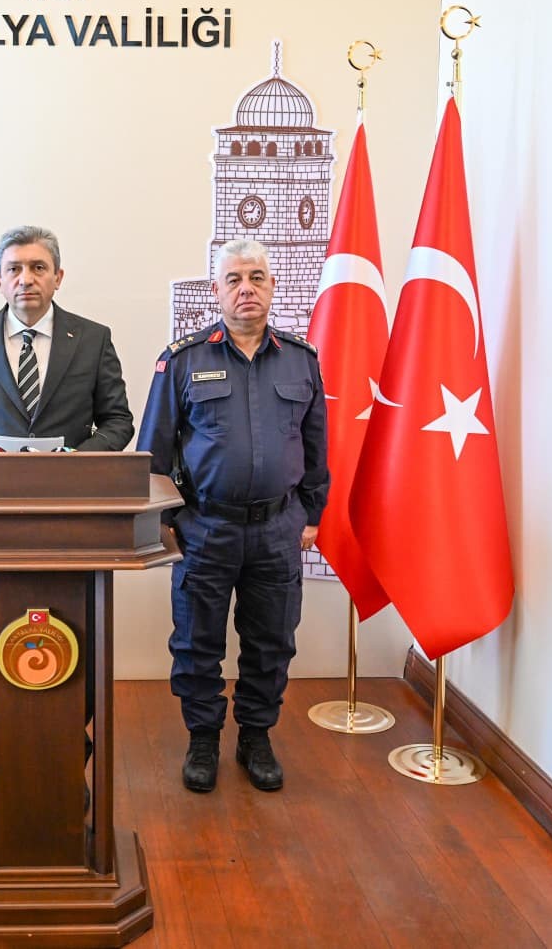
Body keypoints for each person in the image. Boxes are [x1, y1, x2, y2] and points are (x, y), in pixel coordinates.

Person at [136, 238, 329, 793]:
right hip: (204, 527)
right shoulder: (183, 360)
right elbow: (153, 452)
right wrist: (164, 524)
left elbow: (316, 446)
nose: (247, 288)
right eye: (234, 279)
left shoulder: (301, 360)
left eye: (257, 277)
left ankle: (255, 736)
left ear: (273, 286)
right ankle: (202, 738)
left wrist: (311, 515)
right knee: (197, 641)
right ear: (216, 291)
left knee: (271, 641)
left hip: (277, 528)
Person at [0, 225, 133, 453]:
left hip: (73, 475)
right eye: (13, 269)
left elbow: (118, 421)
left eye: (38, 268)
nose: (25, 280)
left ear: (57, 277)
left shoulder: (93, 339)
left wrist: (78, 460)